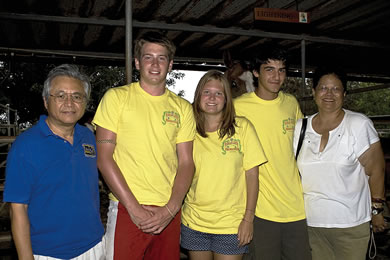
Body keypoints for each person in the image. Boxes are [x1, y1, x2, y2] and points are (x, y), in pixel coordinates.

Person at [93, 31, 195, 260]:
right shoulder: (116, 98)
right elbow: (104, 157)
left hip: (168, 212)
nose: (155, 64)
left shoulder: (183, 108)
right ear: (137, 63)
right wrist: (134, 208)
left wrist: (171, 209)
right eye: (148, 57)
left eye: (162, 58)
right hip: (126, 209)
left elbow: (187, 162)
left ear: (170, 65)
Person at [3, 64, 105, 259]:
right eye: (60, 95)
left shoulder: (89, 137)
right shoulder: (25, 146)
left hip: (94, 247)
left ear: (85, 102)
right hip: (48, 253)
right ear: (45, 101)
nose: (69, 102)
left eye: (77, 96)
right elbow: (18, 209)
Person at [293, 66, 386, 260]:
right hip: (311, 224)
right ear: (313, 92)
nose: (329, 94)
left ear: (344, 93)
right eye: (323, 88)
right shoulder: (300, 127)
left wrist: (377, 210)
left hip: (350, 225)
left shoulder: (358, 124)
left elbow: (376, 169)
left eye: (336, 89)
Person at [234, 45, 311, 260]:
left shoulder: (291, 103)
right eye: (269, 69)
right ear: (256, 72)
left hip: (296, 206)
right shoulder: (238, 108)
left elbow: (302, 147)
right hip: (260, 210)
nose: (277, 77)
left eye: (282, 70)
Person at [180, 70, 267, 260]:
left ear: (227, 98)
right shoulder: (187, 130)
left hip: (231, 225)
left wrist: (248, 219)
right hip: (194, 222)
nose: (212, 98)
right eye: (207, 92)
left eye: (218, 93)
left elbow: (252, 176)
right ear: (198, 96)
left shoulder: (242, 128)